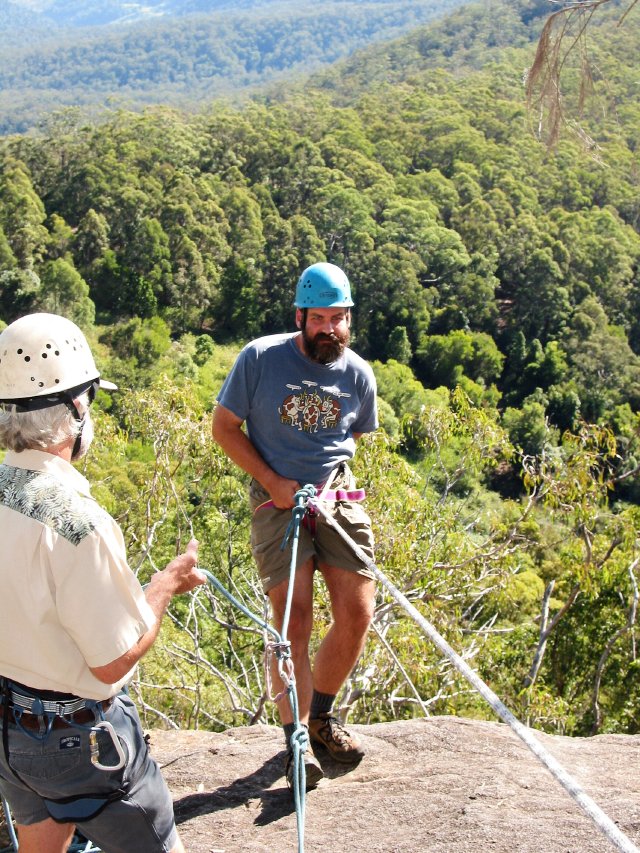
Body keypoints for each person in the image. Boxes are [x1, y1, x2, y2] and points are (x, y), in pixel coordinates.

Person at [0, 312, 207, 853]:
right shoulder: (78, 523)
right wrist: (163, 585)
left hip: (9, 734)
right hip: (75, 742)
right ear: (76, 408)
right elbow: (112, 661)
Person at [211, 261, 378, 790]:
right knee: (294, 621)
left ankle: (322, 716)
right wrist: (272, 479)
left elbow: (351, 440)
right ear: (301, 316)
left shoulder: (357, 374)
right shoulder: (260, 358)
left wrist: (327, 487)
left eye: (340, 318)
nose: (331, 329)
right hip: (274, 497)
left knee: (357, 612)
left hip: (335, 492)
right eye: (320, 318)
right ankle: (296, 740)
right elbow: (223, 427)